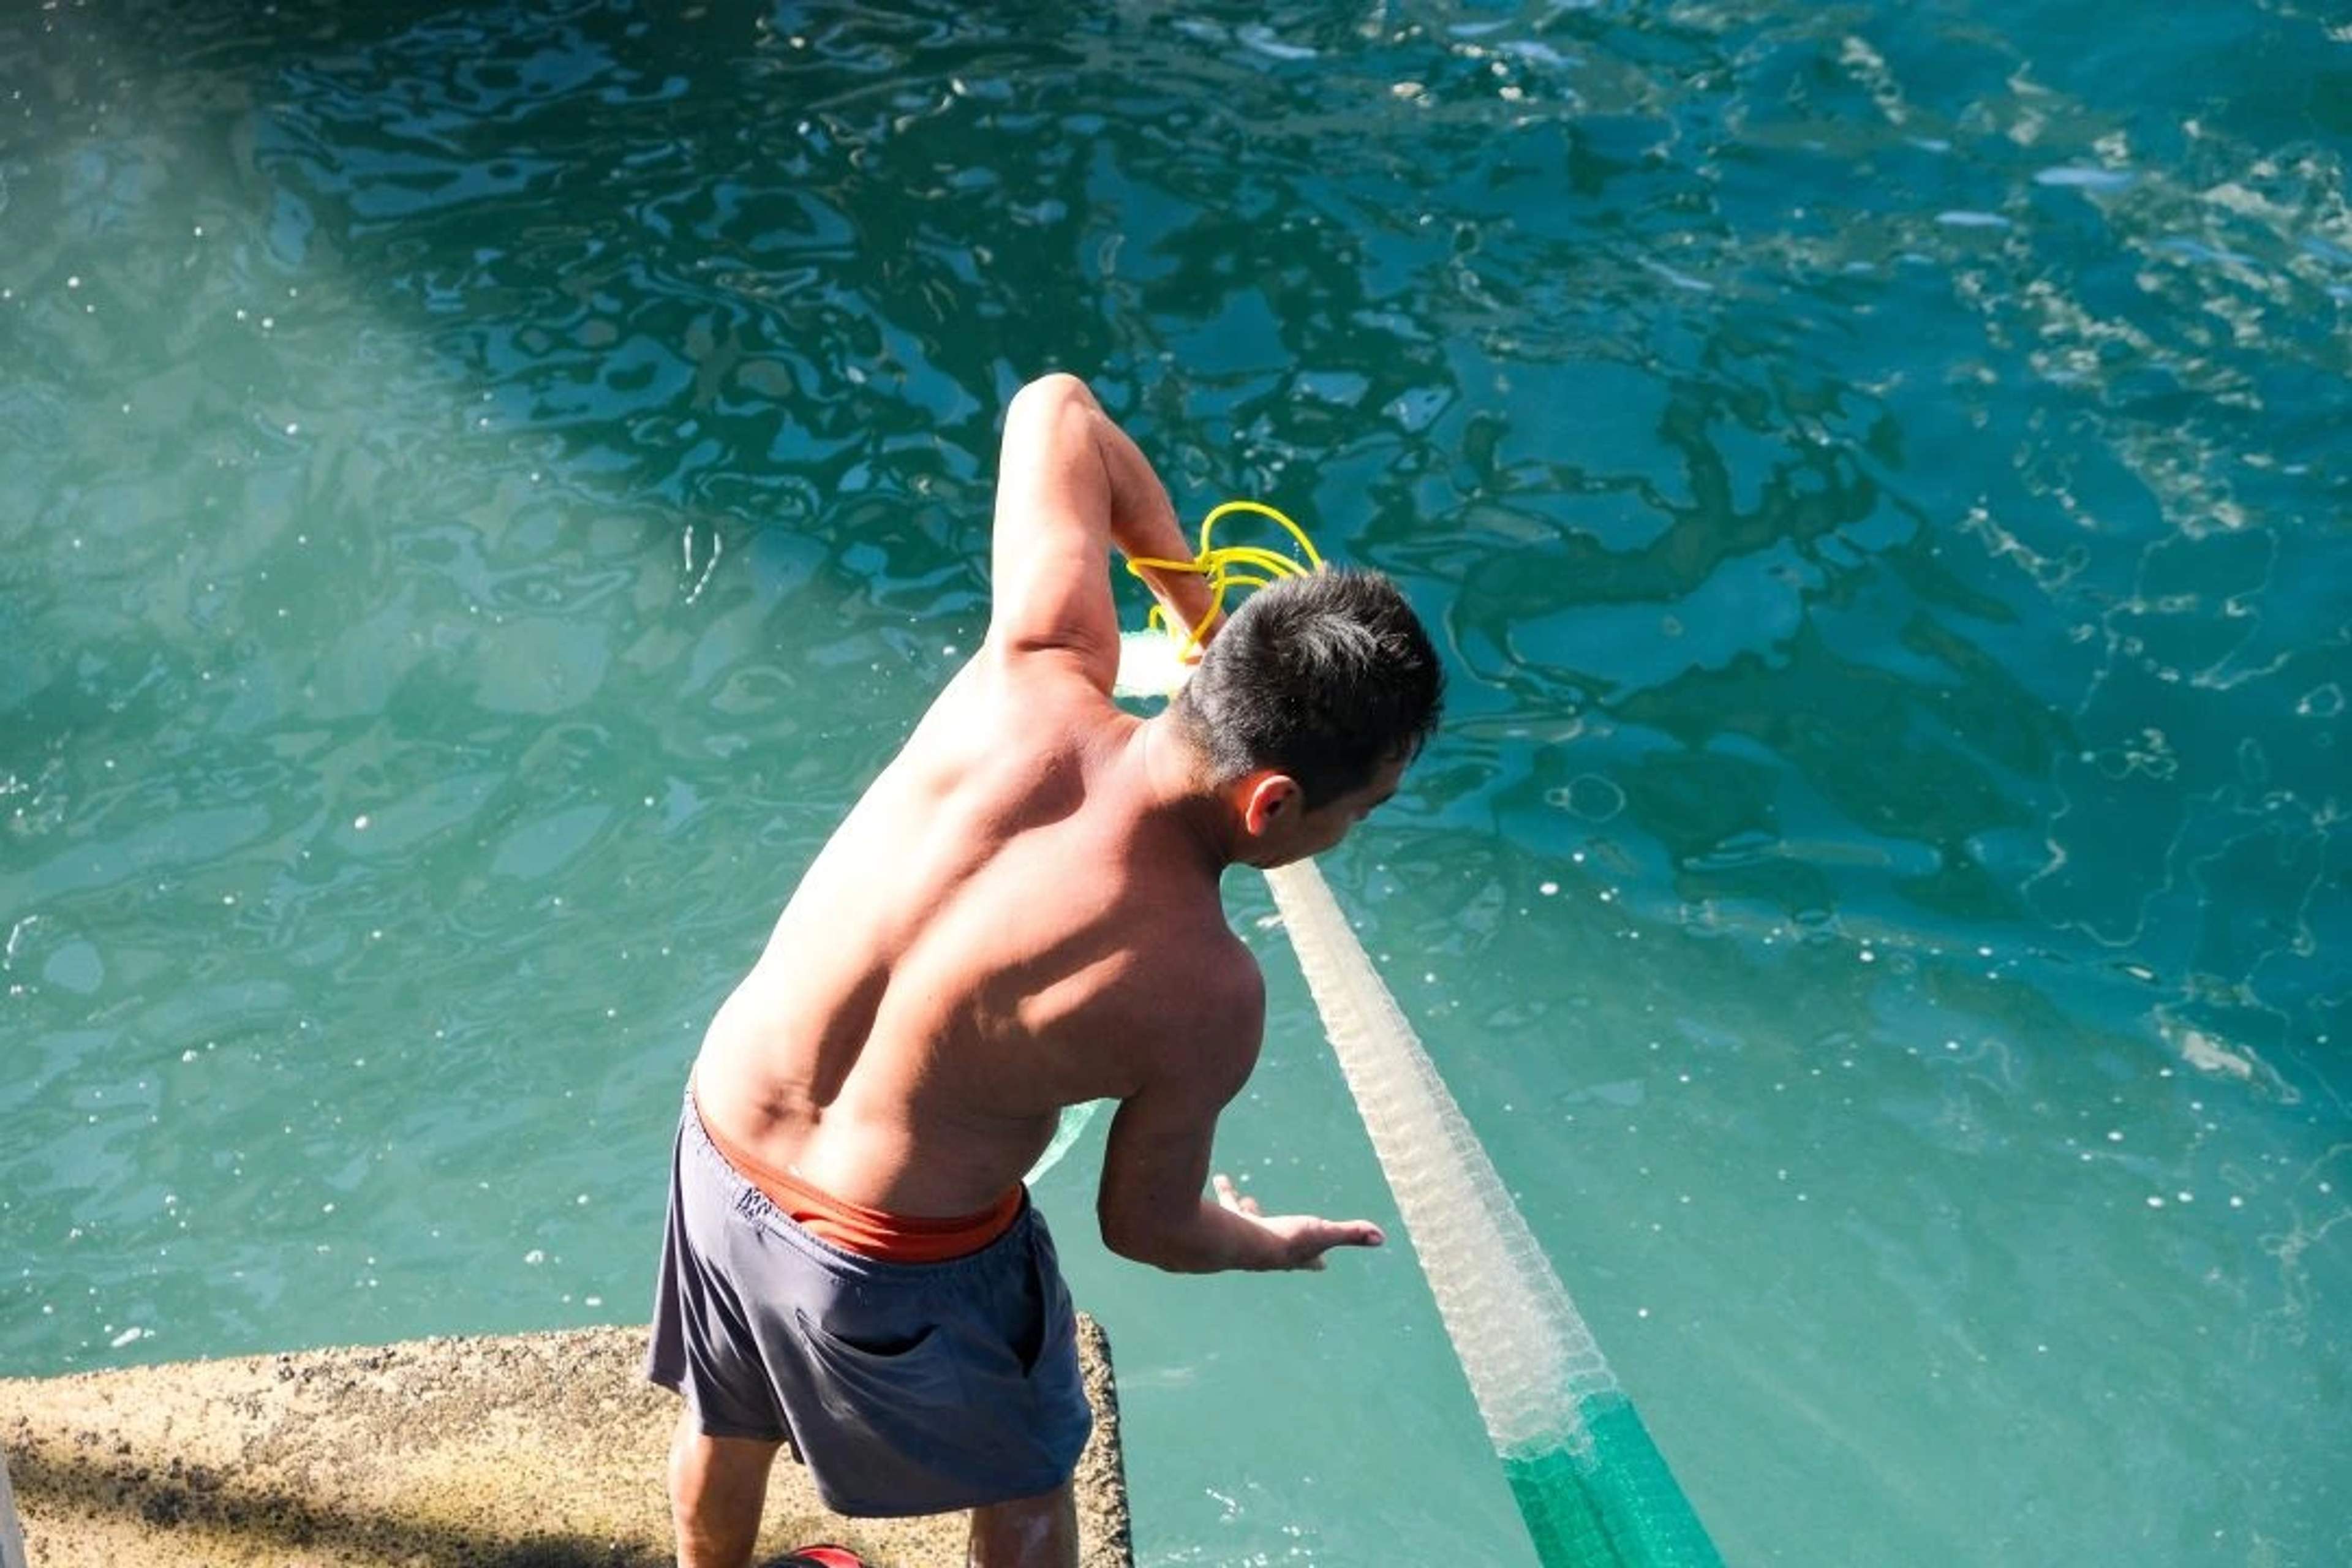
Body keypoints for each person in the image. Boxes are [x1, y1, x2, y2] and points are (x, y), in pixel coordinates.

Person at [646, 372, 1444, 1568]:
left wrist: (1185, 591)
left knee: (731, 1413)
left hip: (720, 1142)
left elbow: (1055, 409)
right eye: (1362, 808)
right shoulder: (1208, 990)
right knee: (1028, 1482)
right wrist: (1263, 1239)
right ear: (1273, 801)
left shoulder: (1031, 662)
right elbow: (1145, 1223)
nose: (1355, 828)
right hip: (884, 1259)